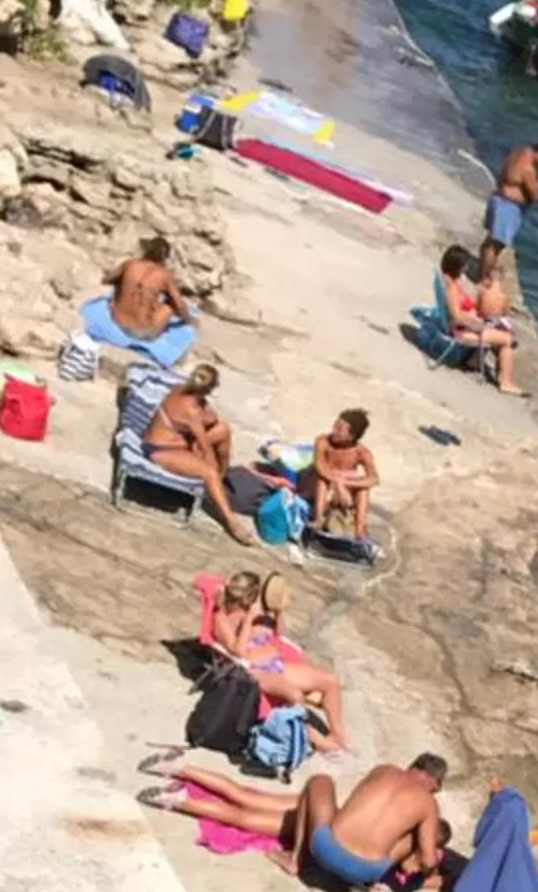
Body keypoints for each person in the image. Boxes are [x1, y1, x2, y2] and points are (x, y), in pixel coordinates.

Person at [168, 755, 450, 892]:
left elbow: (354, 807)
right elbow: (426, 860)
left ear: (414, 768)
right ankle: (180, 799)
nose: (432, 795)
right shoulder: (427, 805)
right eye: (434, 790)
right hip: (366, 872)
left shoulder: (385, 771)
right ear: (431, 781)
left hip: (327, 848)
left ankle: (295, 859)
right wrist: (425, 868)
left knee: (319, 782)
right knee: (249, 808)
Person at [213, 570, 349, 751]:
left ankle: (337, 734)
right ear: (247, 598)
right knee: (295, 695)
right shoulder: (222, 619)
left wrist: (277, 613)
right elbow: (238, 652)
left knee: (330, 681)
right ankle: (310, 738)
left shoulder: (250, 611)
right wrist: (248, 621)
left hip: (275, 664)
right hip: (253, 671)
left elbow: (278, 634)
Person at [143, 362, 255, 542]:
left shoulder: (180, 389)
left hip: (179, 441)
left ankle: (220, 484)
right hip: (162, 450)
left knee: (223, 430)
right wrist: (209, 465)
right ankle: (231, 521)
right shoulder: (192, 412)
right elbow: (205, 447)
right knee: (210, 472)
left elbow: (213, 417)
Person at [83, 239, 196, 367]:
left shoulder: (130, 264)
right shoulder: (164, 276)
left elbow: (107, 279)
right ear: (165, 258)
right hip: (140, 333)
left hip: (116, 319)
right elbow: (180, 305)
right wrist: (188, 320)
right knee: (170, 307)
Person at [438, 244, 522, 394]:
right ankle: (505, 381)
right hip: (461, 331)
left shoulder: (448, 281)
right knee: (507, 339)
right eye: (464, 266)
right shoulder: (451, 286)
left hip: (465, 327)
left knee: (504, 335)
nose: (466, 269)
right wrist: (476, 322)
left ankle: (500, 375)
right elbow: (456, 316)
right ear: (457, 266)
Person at [297, 407, 379, 542]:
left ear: (351, 436)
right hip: (316, 488)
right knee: (322, 480)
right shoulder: (323, 441)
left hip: (339, 494)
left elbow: (374, 479)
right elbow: (321, 467)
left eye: (339, 430)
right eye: (334, 427)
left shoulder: (361, 453)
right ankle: (318, 519)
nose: (333, 431)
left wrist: (343, 483)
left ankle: (360, 531)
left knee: (363, 490)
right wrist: (338, 482)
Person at [485, 137, 538, 248]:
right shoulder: (529, 168)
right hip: (508, 207)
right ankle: (486, 266)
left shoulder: (519, 153)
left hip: (499, 198)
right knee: (496, 245)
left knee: (490, 241)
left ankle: (484, 264)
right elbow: (535, 195)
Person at [471, 236, 515, 323]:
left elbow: (477, 308)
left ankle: (484, 276)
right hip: (494, 322)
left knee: (490, 245)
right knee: (495, 244)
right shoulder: (503, 297)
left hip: (482, 319)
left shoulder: (483, 292)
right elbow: (505, 313)